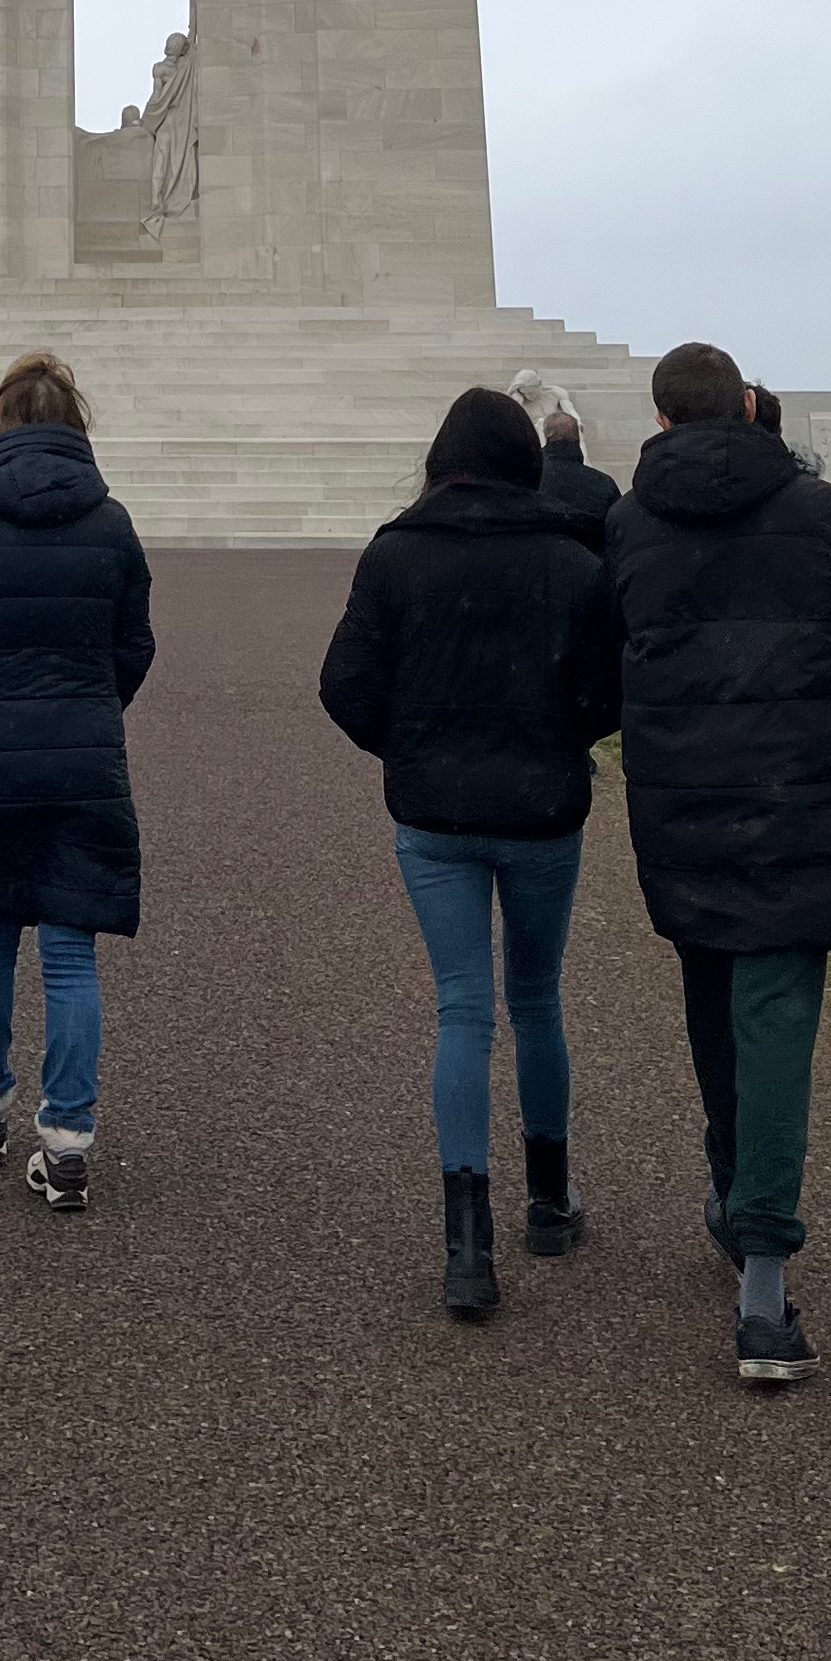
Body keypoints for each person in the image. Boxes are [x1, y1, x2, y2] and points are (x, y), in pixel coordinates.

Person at [607, 337, 831, 1389]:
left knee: (716, 1006)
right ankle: (760, 1278)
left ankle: (740, 1205)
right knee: (772, 1020)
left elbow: (600, 656)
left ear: (664, 421)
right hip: (804, 798)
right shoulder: (818, 512)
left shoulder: (628, 523)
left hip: (686, 803)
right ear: (752, 409)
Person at [318, 386, 622, 1318]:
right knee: (536, 1000)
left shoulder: (398, 553)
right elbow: (606, 693)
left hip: (436, 813)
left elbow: (346, 687)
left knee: (463, 1010)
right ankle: (548, 1198)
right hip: (540, 808)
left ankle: (466, 1244)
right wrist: (554, 741)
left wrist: (411, 749)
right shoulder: (572, 561)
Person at [0, 350, 154, 1215]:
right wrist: (92, 707)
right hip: (84, 749)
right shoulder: (111, 520)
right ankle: (69, 1137)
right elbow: (135, 646)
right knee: (69, 946)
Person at [538, 404, 621, 532]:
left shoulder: (531, 479)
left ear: (547, 436)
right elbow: (619, 529)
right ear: (577, 436)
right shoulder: (604, 483)